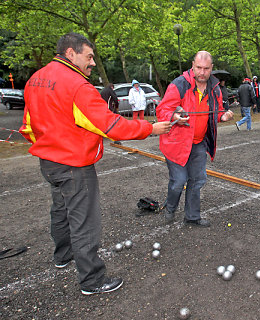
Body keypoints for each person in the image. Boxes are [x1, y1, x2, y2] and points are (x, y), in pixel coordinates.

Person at [19, 32, 171, 296]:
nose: (92, 63)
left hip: (49, 161)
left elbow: (28, 125)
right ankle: (92, 280)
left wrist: (46, 146)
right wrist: (151, 128)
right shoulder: (78, 86)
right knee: (84, 222)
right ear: (71, 53)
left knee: (60, 210)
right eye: (89, 56)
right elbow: (111, 125)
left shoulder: (35, 79)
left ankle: (62, 256)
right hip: (74, 164)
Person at [156, 51, 234, 227]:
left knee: (197, 180)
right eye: (199, 67)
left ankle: (192, 216)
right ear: (193, 65)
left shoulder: (215, 88)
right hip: (176, 143)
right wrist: (175, 115)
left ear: (211, 68)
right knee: (178, 181)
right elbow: (162, 110)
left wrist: (224, 116)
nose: (202, 72)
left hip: (199, 143)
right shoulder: (179, 85)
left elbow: (218, 111)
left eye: (206, 69)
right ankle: (170, 208)